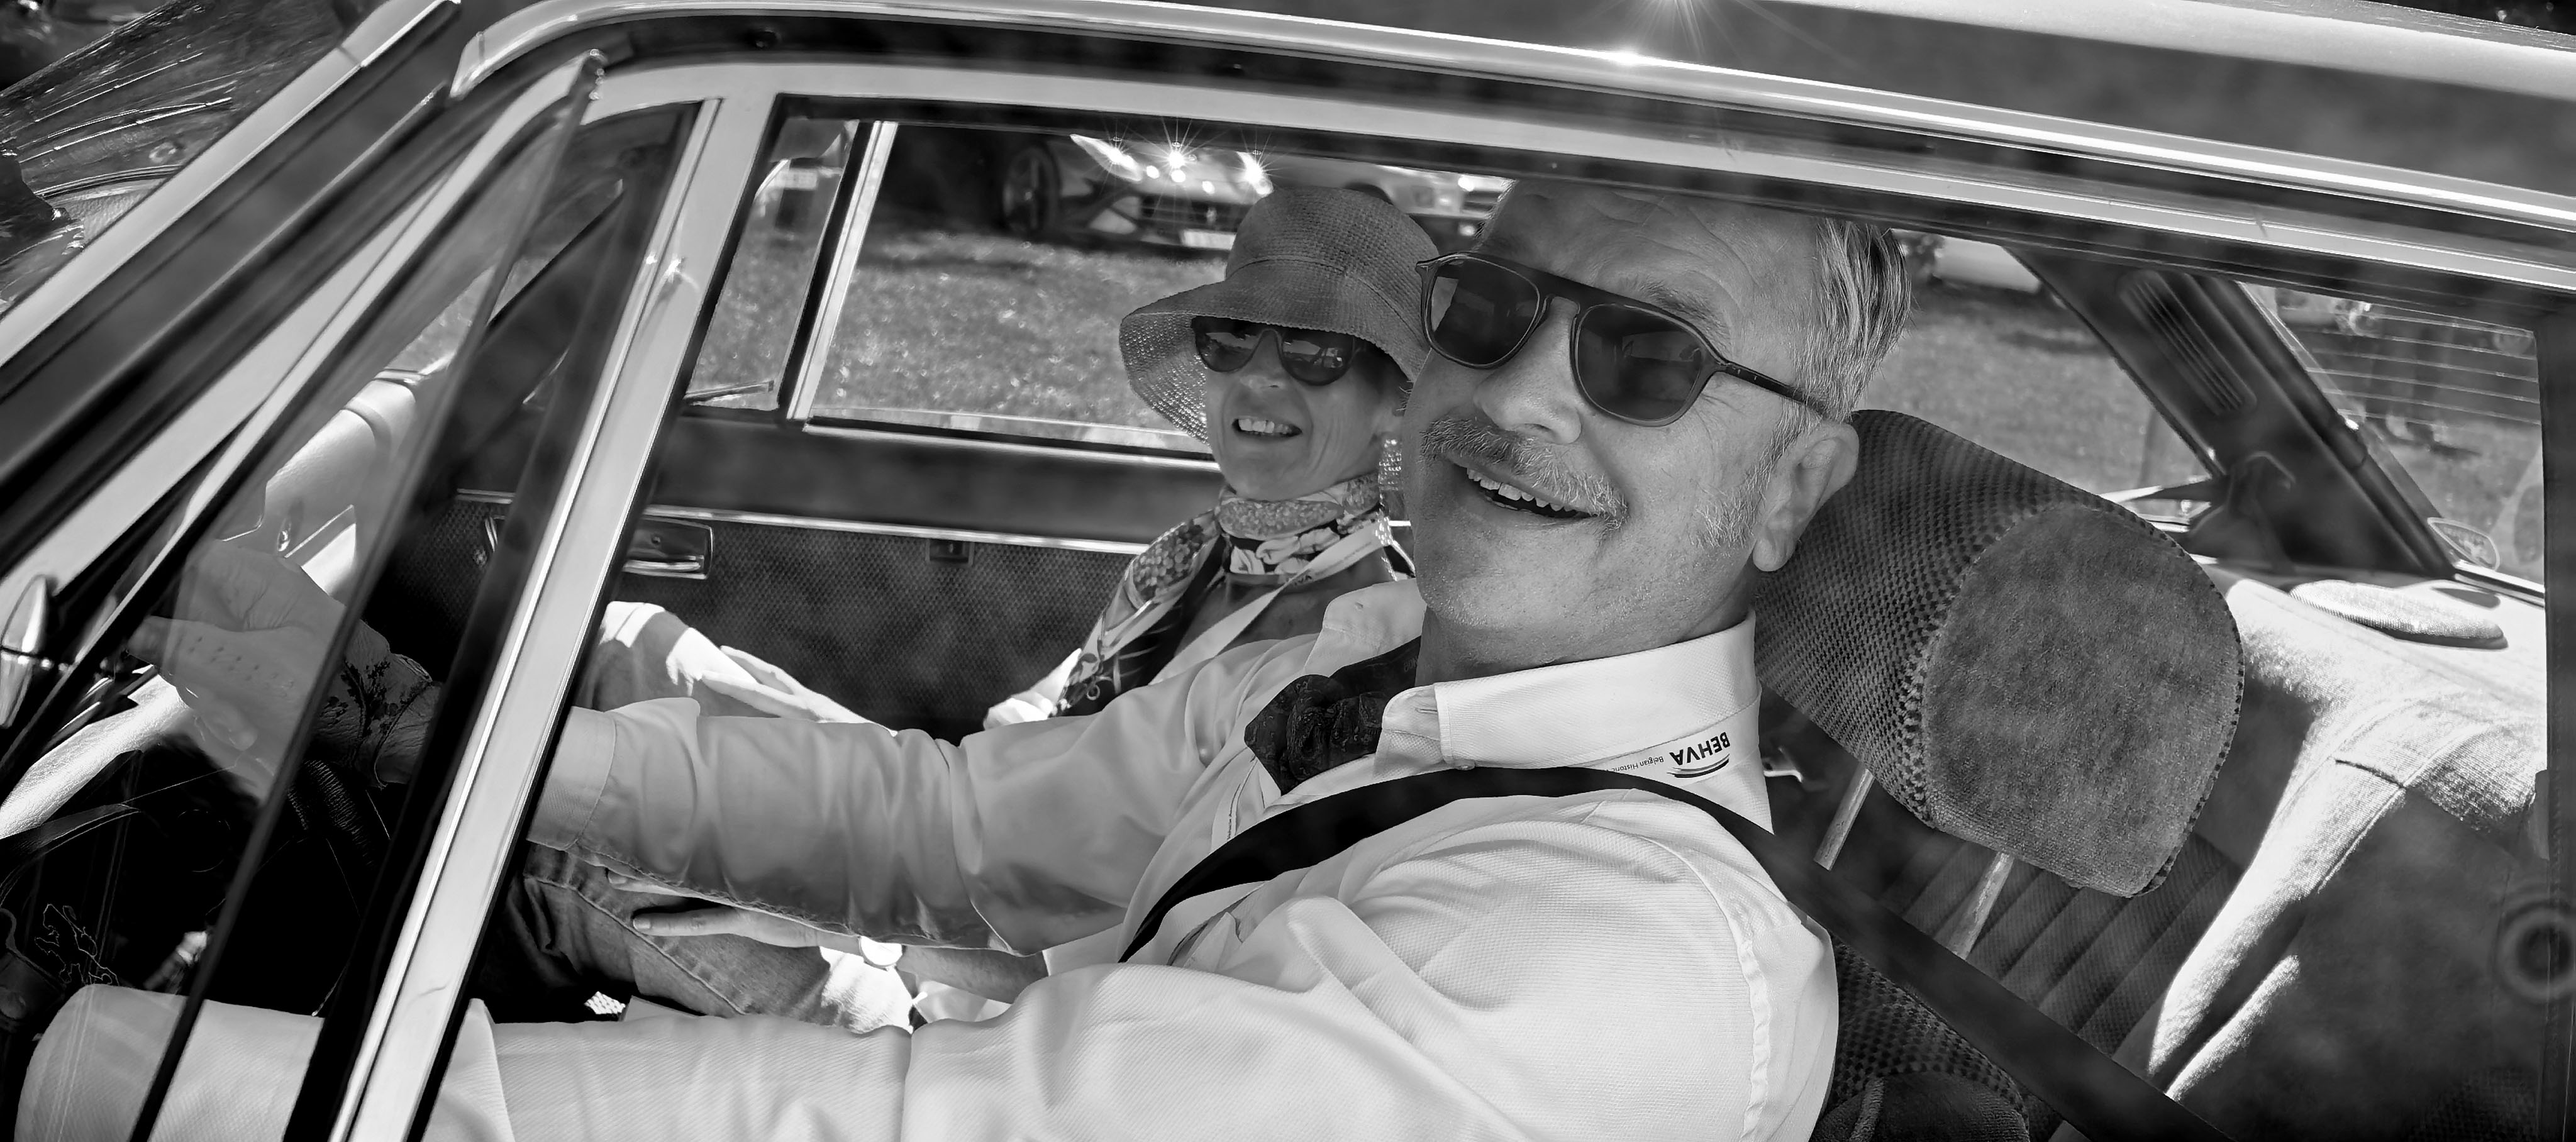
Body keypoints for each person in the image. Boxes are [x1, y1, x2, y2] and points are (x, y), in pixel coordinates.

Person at [32, 180, 1912, 1142]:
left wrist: (103, 1069)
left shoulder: (1621, 959)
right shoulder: (1375, 673)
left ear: (1793, 484)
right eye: (1490, 312)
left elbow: (938, 1121)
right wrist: (468, 755)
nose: (1515, 395)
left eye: (1648, 353)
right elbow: (958, 827)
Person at [982, 187, 1425, 729]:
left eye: (1313, 347)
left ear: (1398, 403)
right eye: (1232, 337)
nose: (1258, 375)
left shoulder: (1351, 647)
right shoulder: (1192, 558)